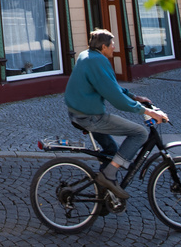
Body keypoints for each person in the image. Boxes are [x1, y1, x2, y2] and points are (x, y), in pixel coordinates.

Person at [64, 28, 167, 199]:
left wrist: (134, 96)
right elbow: (115, 97)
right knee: (140, 133)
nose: (114, 48)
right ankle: (108, 176)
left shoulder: (87, 55)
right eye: (112, 45)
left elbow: (110, 85)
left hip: (77, 112)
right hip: (89, 117)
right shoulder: (98, 62)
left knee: (111, 150)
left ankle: (103, 194)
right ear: (103, 46)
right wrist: (146, 111)